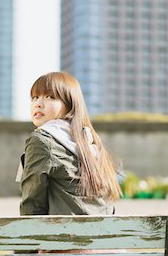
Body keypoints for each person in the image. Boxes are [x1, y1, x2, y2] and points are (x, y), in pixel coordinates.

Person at [18, 71, 122, 216]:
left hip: (65, 236)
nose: (38, 104)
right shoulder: (89, 140)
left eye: (49, 97)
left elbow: (32, 205)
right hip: (102, 235)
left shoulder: (41, 140)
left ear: (70, 104)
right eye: (35, 97)